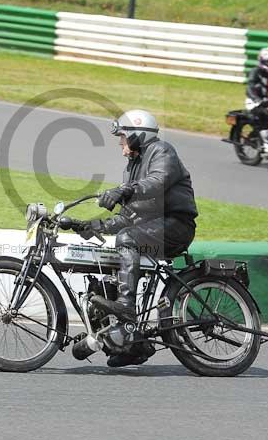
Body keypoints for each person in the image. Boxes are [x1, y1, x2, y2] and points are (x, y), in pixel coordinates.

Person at [75, 109, 198, 367]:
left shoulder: (162, 151)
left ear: (136, 135)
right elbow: (127, 216)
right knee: (110, 265)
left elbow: (158, 181)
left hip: (176, 224)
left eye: (122, 138)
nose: (120, 144)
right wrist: (92, 225)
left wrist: (125, 190)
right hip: (154, 227)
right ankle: (133, 344)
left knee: (127, 238)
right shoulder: (132, 167)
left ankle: (126, 306)